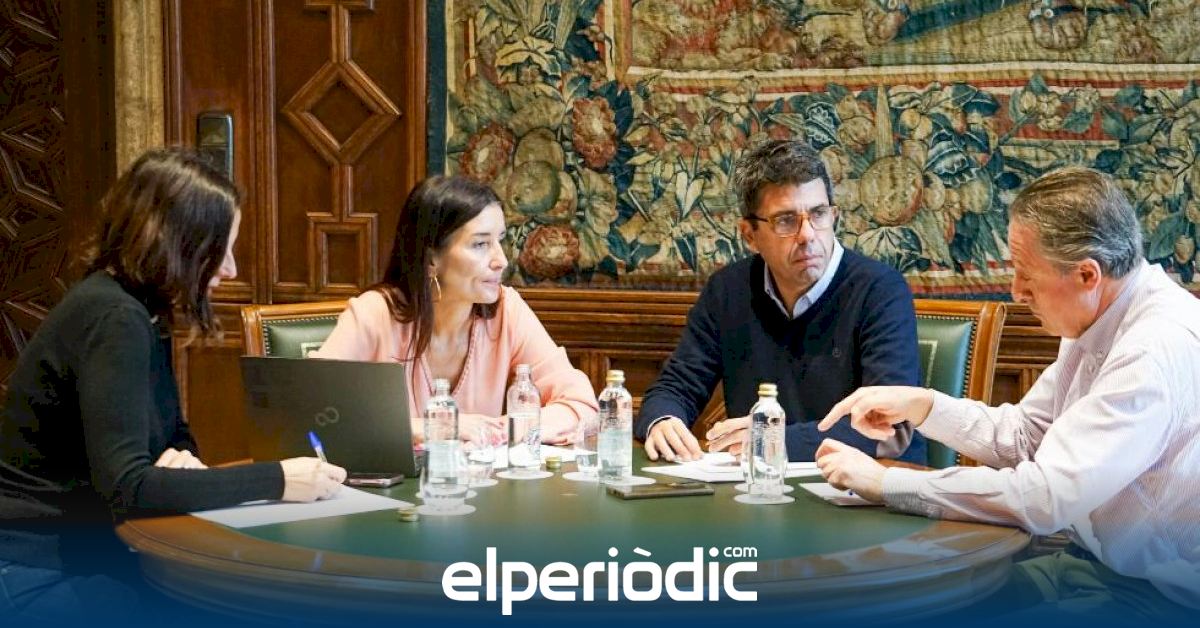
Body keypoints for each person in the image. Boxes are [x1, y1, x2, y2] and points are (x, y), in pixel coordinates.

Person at [815, 166, 1199, 619]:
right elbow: (1025, 435)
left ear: (1087, 274)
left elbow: (1044, 497)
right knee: (904, 610)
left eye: (1026, 276)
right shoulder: (1097, 313)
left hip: (1155, 598)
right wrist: (922, 405)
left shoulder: (1151, 350)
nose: (1016, 292)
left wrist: (886, 484)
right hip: (1084, 566)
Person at [0, 148, 346, 622]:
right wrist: (280, 479)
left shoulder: (142, 310)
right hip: (34, 569)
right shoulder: (114, 317)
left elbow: (176, 439)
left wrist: (176, 465)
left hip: (86, 556)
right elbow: (128, 487)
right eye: (221, 249)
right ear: (178, 242)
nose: (231, 269)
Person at [635, 139, 926, 464]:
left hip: (871, 484)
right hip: (759, 485)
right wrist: (663, 420)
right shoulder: (727, 290)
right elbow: (676, 386)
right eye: (786, 220)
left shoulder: (880, 290)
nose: (808, 234)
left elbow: (887, 428)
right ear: (749, 235)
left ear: (834, 216)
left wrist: (771, 440)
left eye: (818, 214)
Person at [312, 175, 597, 445]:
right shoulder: (375, 313)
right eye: (480, 244)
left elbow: (580, 404)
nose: (501, 261)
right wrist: (436, 427)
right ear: (431, 259)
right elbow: (311, 410)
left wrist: (502, 430)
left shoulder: (506, 310)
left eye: (500, 240)